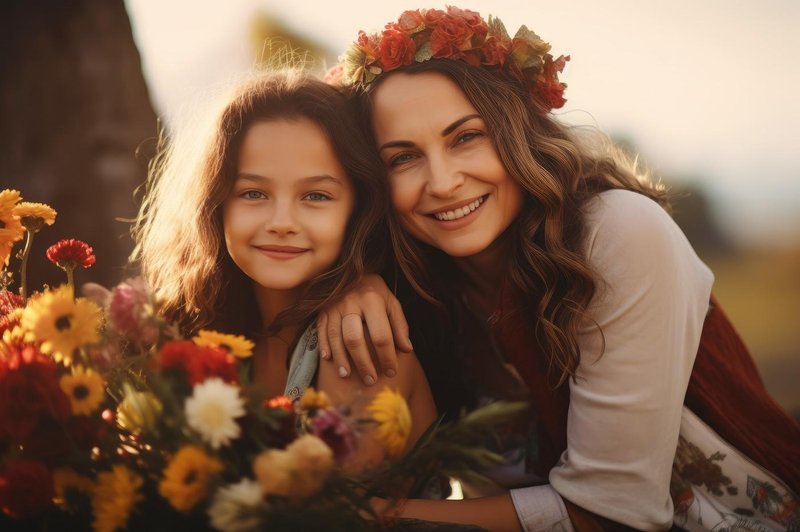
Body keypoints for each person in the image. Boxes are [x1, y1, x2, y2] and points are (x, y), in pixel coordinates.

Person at [317, 7, 800, 531]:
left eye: (466, 137)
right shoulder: (408, 286)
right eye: (402, 158)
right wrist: (353, 282)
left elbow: (611, 513)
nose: (443, 182)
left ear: (517, 132)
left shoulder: (617, 233)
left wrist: (360, 521)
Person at [130, 70, 436, 468]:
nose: (282, 221)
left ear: (357, 211)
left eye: (316, 195)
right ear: (215, 205)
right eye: (253, 193)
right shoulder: (199, 331)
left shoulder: (359, 348)